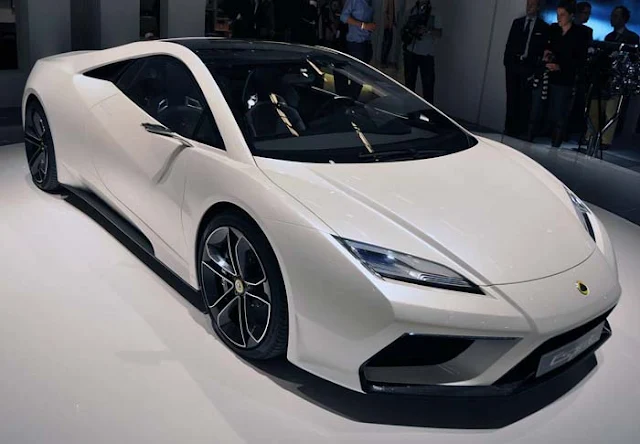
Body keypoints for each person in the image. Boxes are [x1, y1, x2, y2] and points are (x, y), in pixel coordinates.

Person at [528, 1, 588, 147]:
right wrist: (546, 54)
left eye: (562, 15)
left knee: (559, 112)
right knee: (536, 108)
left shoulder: (579, 34)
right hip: (547, 74)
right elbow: (545, 46)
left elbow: (579, 59)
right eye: (557, 14)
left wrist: (560, 66)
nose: (559, 18)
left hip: (564, 78)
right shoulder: (553, 30)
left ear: (571, 16)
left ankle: (555, 143)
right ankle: (530, 137)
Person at [586, 6, 640, 148]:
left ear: (624, 19)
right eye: (612, 15)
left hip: (618, 80)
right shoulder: (609, 37)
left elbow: (634, 60)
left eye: (616, 16)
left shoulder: (632, 37)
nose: (612, 18)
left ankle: (605, 140)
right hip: (604, 78)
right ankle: (590, 136)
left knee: (611, 111)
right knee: (595, 108)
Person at [503, 0, 549, 138]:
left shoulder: (543, 27)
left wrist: (536, 69)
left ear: (538, 7)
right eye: (528, 4)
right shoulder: (518, 23)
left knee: (524, 99)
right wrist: (507, 62)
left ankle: (520, 130)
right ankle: (509, 128)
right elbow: (510, 43)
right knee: (511, 97)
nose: (529, 7)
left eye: (532, 5)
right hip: (514, 64)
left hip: (528, 66)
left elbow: (542, 49)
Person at [402, 0, 442, 104]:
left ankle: (427, 112)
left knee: (428, 87)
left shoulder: (435, 12)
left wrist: (427, 30)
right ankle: (409, 111)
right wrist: (411, 30)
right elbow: (403, 31)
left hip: (427, 54)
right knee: (409, 86)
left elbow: (439, 33)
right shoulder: (410, 12)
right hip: (410, 51)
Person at [568, 2, 593, 138]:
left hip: (579, 72)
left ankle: (569, 130)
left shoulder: (587, 31)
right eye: (586, 13)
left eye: (589, 13)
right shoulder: (568, 27)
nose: (587, 16)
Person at [381, 0, 396, 67]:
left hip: (390, 24)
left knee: (389, 43)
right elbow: (386, 10)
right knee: (386, 43)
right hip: (387, 25)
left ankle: (385, 60)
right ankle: (383, 61)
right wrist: (388, 22)